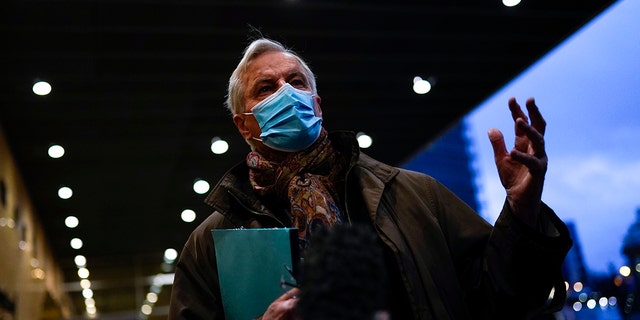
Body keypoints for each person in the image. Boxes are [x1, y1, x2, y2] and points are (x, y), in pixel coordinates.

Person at [168, 37, 572, 320]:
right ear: (244, 125)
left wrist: (522, 211)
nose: (285, 93)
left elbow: (505, 299)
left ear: (317, 105)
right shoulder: (213, 243)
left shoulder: (416, 196)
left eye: (295, 82)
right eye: (266, 88)